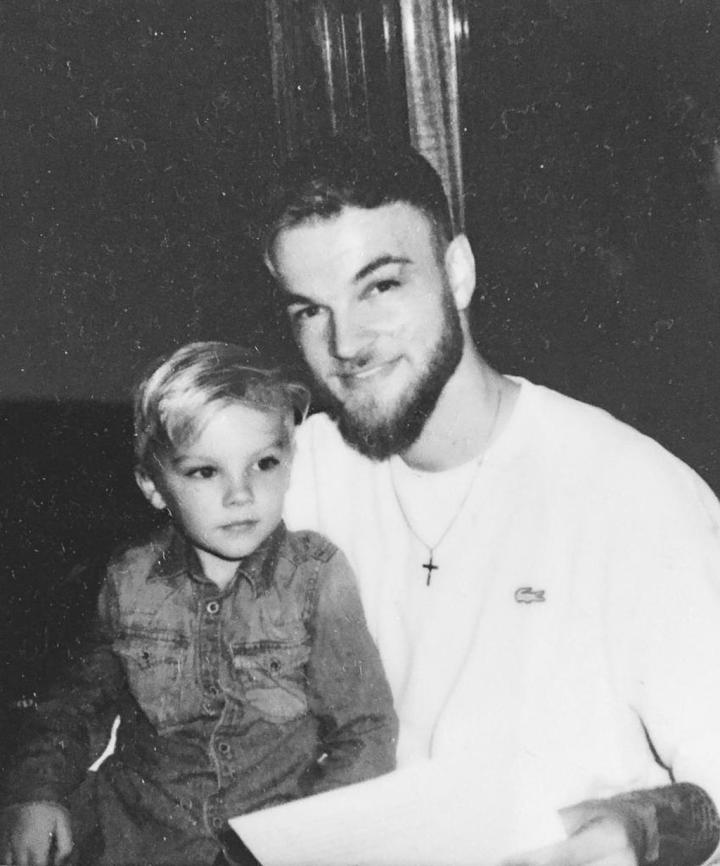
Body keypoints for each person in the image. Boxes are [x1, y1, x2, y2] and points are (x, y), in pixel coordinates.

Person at [228, 136, 720, 866]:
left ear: (457, 273)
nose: (347, 343)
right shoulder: (291, 479)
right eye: (309, 311)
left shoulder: (631, 494)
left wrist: (640, 827)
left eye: (380, 287)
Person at [0, 341, 397, 866]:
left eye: (264, 464)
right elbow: (74, 707)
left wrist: (308, 841)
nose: (241, 494)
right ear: (154, 486)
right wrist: (35, 794)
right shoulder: (128, 577)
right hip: (136, 839)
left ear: (290, 464)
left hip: (268, 845)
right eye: (205, 472)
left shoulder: (316, 574)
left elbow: (364, 733)